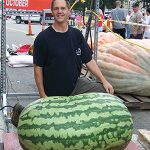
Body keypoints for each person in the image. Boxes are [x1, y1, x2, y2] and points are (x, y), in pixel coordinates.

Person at [11, 0, 114, 128]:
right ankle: (21, 114)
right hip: (53, 92)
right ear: (52, 11)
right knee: (46, 125)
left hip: (75, 86)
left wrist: (103, 80)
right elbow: (38, 69)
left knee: (104, 91)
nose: (60, 11)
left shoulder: (76, 35)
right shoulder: (43, 38)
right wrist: (43, 95)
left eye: (63, 8)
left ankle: (90, 124)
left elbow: (89, 60)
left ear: (68, 10)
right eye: (56, 9)